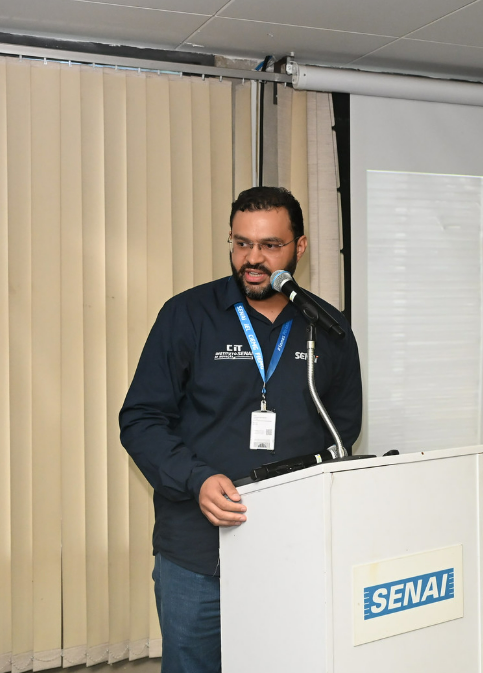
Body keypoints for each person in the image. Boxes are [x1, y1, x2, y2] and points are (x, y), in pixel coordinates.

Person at [119, 186, 362, 673]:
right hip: (197, 552)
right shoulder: (187, 316)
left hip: (293, 551)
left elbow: (342, 433)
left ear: (300, 247)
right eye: (241, 243)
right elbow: (141, 419)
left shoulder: (328, 328)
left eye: (270, 245)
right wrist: (197, 479)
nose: (252, 259)